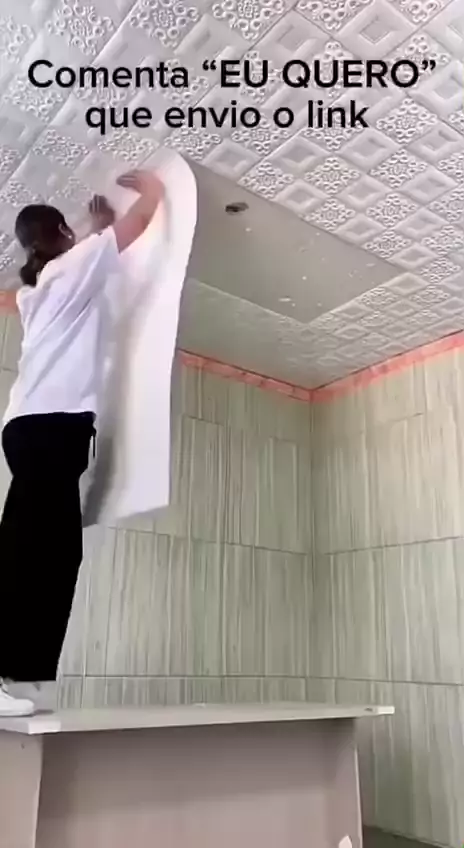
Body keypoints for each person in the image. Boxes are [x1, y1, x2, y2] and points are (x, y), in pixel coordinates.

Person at [0, 169, 164, 717]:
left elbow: (95, 250)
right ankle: (14, 673)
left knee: (36, 550)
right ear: (63, 236)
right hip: (48, 430)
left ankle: (19, 677)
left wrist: (93, 232)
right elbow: (137, 225)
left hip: (35, 429)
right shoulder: (68, 269)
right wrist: (155, 190)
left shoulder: (40, 288)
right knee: (40, 553)